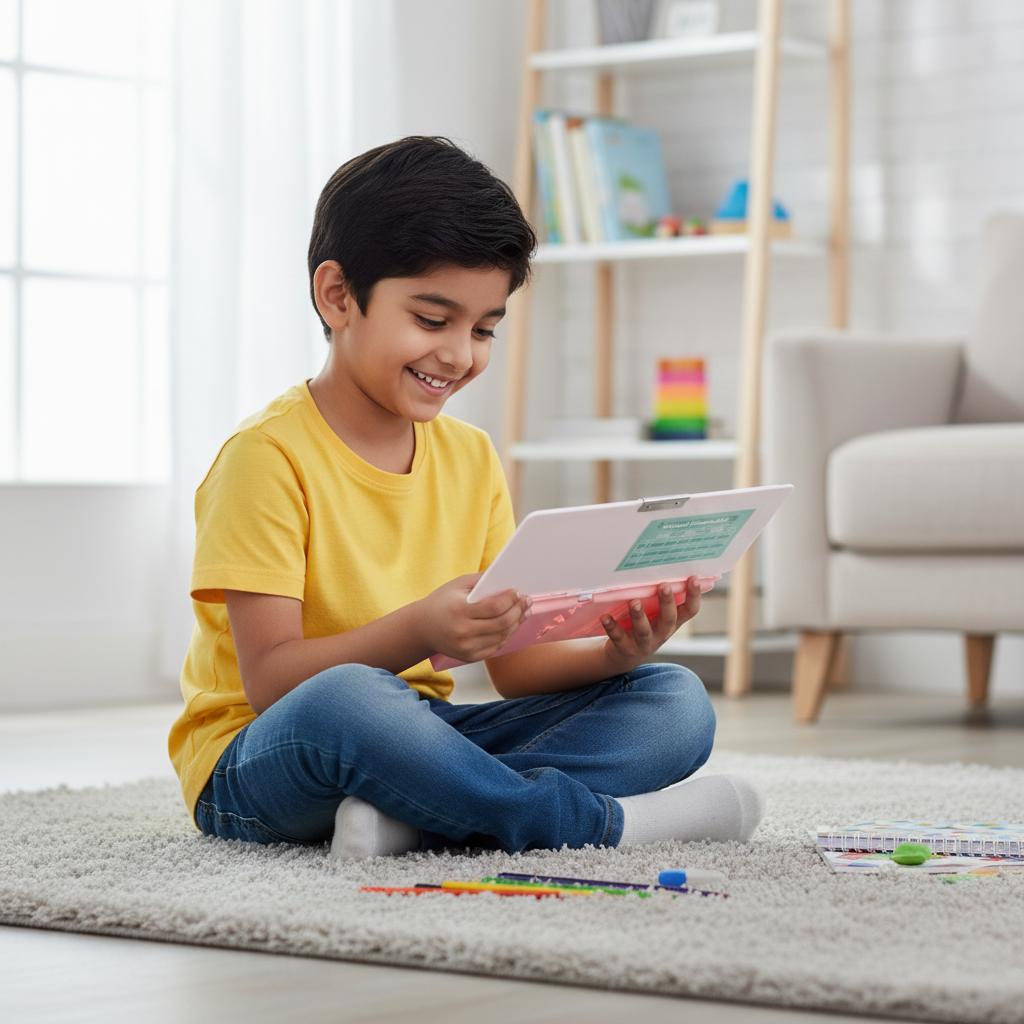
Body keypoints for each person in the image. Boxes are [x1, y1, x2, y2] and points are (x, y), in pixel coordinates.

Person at [168, 137, 764, 859]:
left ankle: (416, 816)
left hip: (417, 739)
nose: (459, 355)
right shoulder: (265, 457)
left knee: (672, 702)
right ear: (338, 296)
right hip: (268, 757)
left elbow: (515, 669)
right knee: (352, 701)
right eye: (431, 319)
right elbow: (272, 685)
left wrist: (616, 650)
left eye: (484, 329)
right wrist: (420, 631)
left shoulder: (471, 456)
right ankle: (598, 824)